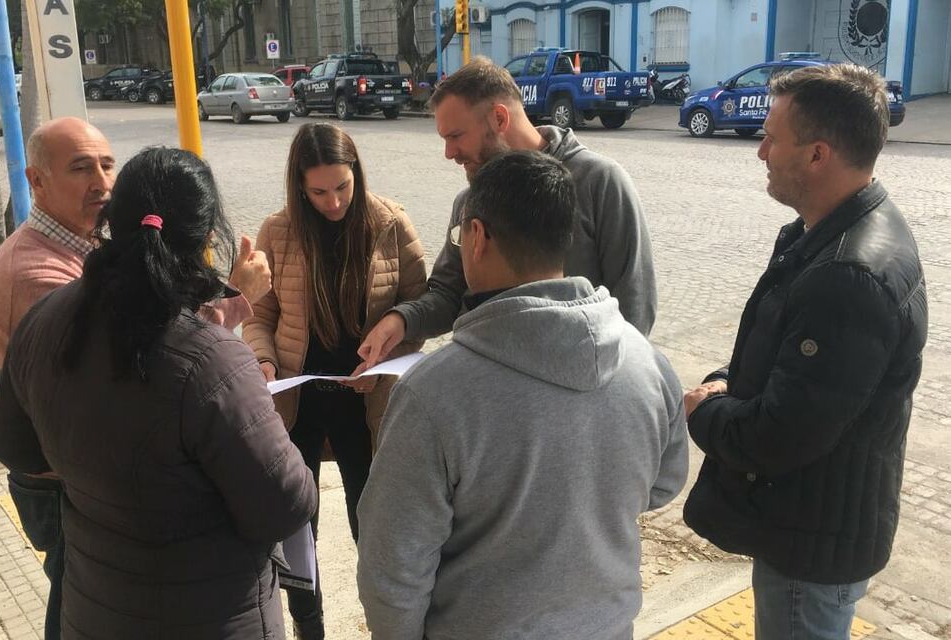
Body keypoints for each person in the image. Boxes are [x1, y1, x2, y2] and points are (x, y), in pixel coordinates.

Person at [0, 146, 318, 639]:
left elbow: (11, 444)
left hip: (95, 604)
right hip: (209, 613)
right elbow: (285, 504)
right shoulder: (211, 359)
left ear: (113, 223)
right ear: (207, 238)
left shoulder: (50, 316)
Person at [356, 150, 688, 640]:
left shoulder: (434, 395)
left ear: (476, 237)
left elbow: (393, 568)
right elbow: (665, 483)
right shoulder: (649, 364)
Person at [682, 64, 927, 639]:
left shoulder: (847, 273)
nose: (760, 151)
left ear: (817, 155)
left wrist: (703, 410)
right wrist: (728, 378)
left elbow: (782, 435)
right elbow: (786, 359)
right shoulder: (830, 231)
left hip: (812, 545)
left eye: (771, 137)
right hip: (820, 522)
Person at [242, 122, 426, 639]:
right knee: (298, 524)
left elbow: (422, 307)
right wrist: (263, 360)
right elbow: (259, 312)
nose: (334, 202)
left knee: (373, 521)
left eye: (343, 186)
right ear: (299, 186)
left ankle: (386, 622)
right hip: (295, 402)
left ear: (357, 174)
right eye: (319, 191)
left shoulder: (390, 222)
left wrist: (391, 349)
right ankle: (309, 624)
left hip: (368, 403)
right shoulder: (278, 231)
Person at [356, 56, 656, 373]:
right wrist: (401, 320)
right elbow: (448, 294)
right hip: (490, 396)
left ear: (499, 119)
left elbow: (635, 308)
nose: (449, 154)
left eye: (456, 136)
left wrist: (604, 392)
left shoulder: (601, 182)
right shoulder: (468, 202)